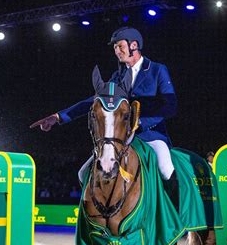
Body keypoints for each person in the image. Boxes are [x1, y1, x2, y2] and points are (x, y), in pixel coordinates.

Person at [30, 26, 179, 210]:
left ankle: (173, 218)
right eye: (115, 47)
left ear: (134, 45)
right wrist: (59, 117)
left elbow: (170, 106)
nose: (117, 51)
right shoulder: (118, 76)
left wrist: (139, 122)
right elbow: (93, 101)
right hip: (122, 138)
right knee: (84, 173)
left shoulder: (157, 70)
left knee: (165, 169)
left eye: (120, 46)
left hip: (151, 135)